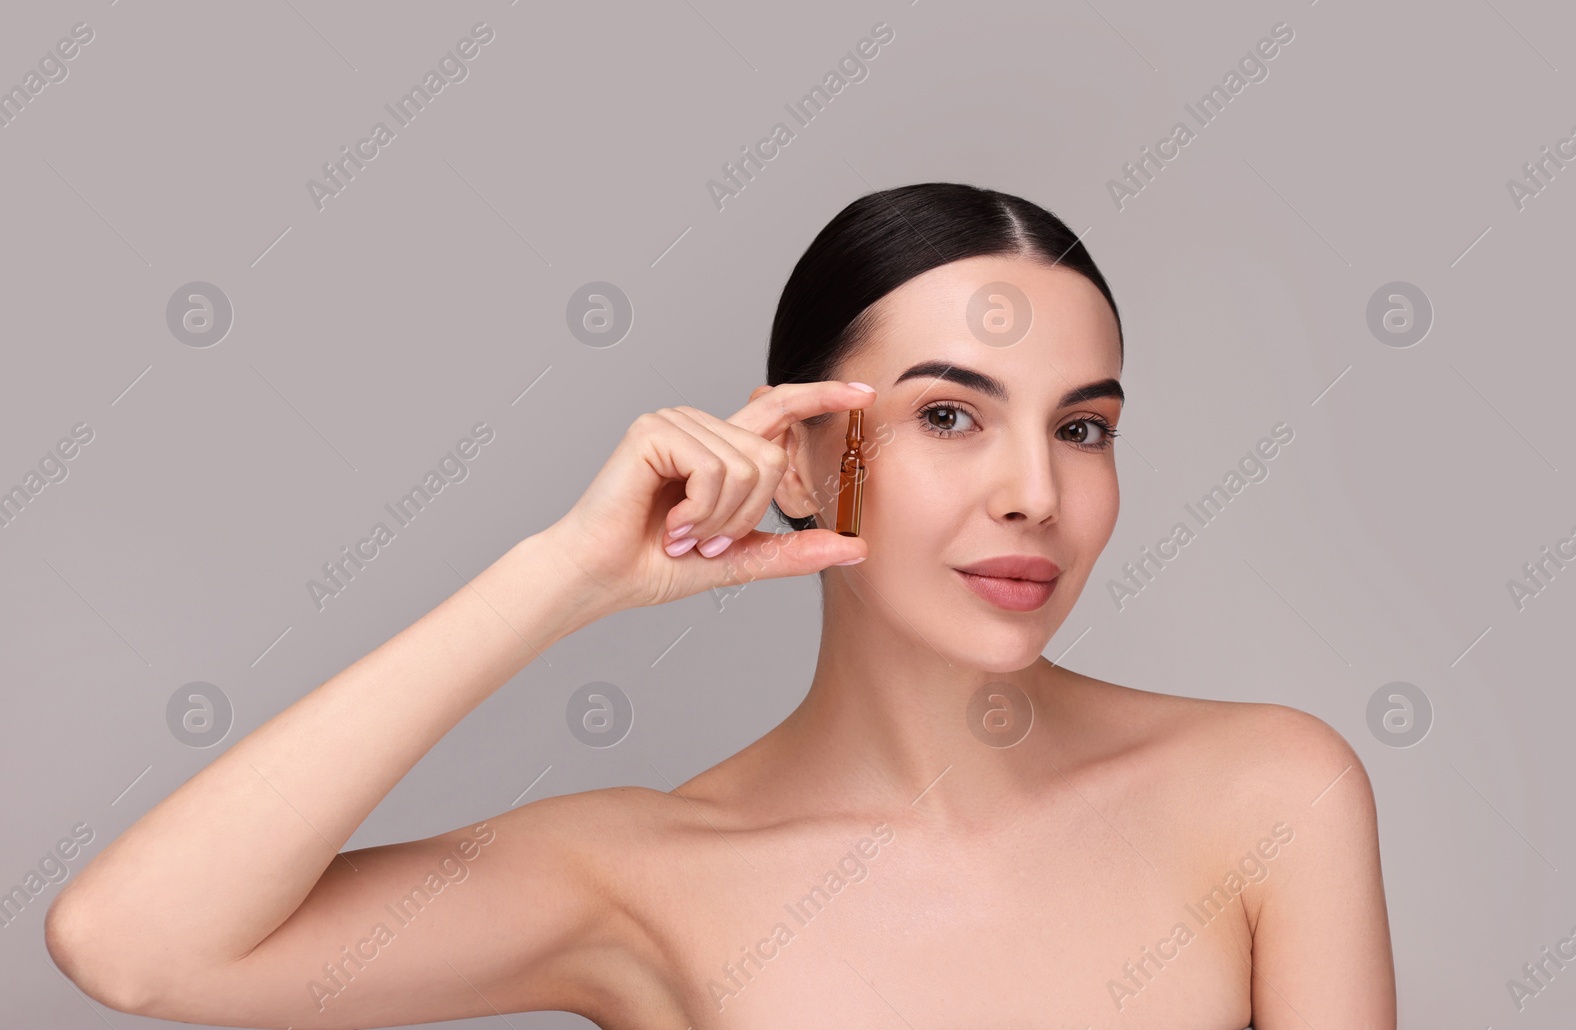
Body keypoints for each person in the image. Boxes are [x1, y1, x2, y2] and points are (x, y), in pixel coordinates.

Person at [43, 182, 1396, 1029]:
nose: (1034, 491)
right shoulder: (639, 875)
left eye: (1084, 429)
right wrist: (559, 579)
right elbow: (136, 947)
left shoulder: (1269, 790)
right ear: (810, 454)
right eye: (947, 415)